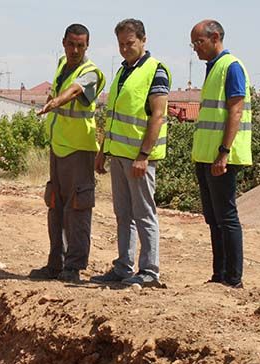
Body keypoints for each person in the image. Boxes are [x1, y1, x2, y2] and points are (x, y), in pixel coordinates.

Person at [91, 19, 170, 287]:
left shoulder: (155, 71)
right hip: (119, 155)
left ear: (143, 40)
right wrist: (103, 150)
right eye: (121, 44)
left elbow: (157, 117)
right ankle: (123, 266)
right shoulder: (123, 72)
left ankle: (150, 271)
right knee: (123, 214)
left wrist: (144, 155)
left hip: (139, 159)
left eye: (130, 43)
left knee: (144, 213)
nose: (125, 49)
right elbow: (114, 117)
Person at [29, 23, 105, 282]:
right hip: (59, 146)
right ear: (63, 42)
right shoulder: (63, 64)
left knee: (78, 207)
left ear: (87, 46)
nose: (75, 50)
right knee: (56, 205)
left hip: (79, 148)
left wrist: (55, 102)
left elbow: (74, 91)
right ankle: (55, 264)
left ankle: (73, 267)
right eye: (71, 44)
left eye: (80, 45)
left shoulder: (91, 72)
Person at [190, 19, 252, 289]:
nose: (195, 49)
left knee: (226, 217)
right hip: (205, 156)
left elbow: (235, 111)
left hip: (221, 157)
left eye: (199, 42)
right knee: (213, 218)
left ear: (215, 37)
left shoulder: (231, 67)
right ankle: (219, 274)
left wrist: (224, 153)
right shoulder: (213, 68)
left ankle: (233, 278)